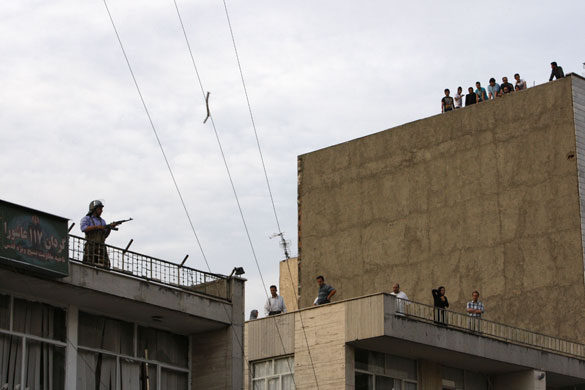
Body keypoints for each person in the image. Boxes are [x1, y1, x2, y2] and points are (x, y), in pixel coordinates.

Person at [80, 200, 122, 268]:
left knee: (106, 266)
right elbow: (83, 228)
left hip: (101, 247)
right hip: (91, 246)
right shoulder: (87, 219)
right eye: (100, 208)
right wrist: (96, 227)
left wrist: (109, 228)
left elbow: (105, 236)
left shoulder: (102, 221)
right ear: (94, 209)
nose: (101, 211)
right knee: (88, 265)